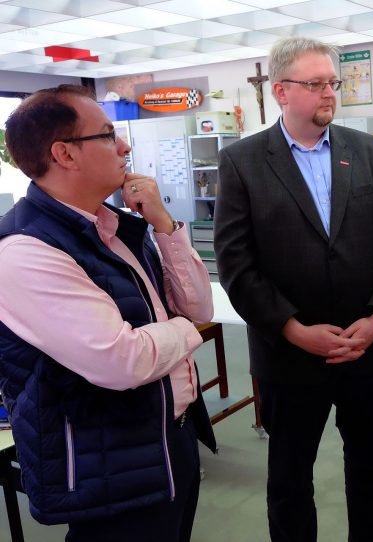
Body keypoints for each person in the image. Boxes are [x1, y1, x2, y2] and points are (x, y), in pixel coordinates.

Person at [213, 37, 373, 542]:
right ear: (281, 91)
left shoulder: (367, 152)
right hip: (289, 357)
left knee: (370, 467)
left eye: (333, 83)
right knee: (288, 476)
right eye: (316, 83)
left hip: (365, 351)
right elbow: (236, 264)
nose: (330, 93)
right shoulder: (243, 162)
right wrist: (294, 330)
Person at [0, 85, 216, 541]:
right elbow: (124, 360)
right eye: (107, 135)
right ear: (65, 154)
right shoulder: (25, 250)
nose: (124, 146)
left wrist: (163, 223)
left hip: (168, 437)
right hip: (109, 466)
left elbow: (199, 303)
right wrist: (182, 328)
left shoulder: (115, 228)